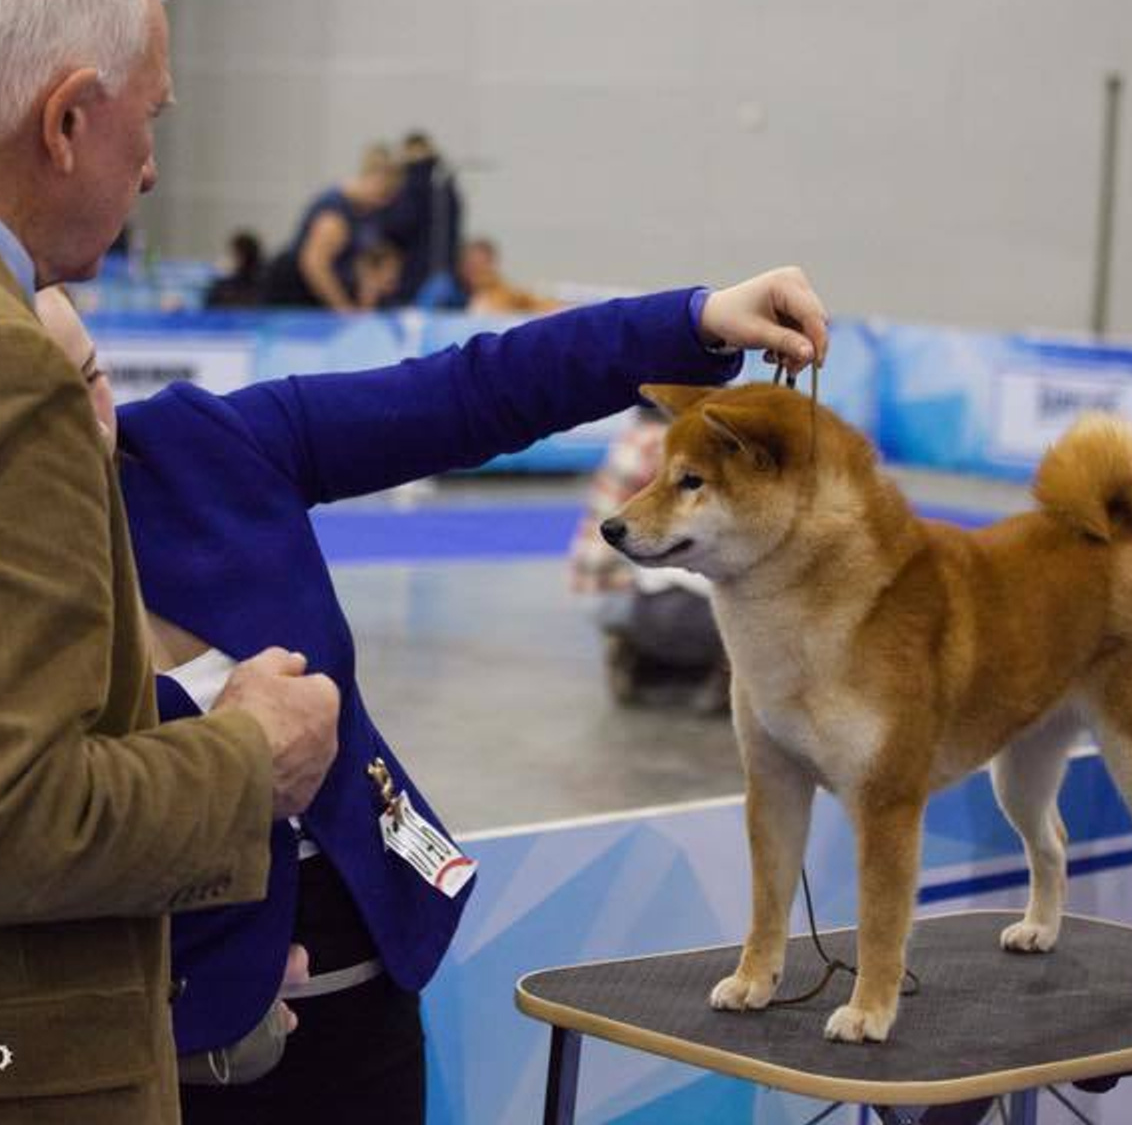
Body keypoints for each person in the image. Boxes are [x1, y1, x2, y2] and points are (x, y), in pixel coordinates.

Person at [38, 263, 829, 1124]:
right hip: (146, 1044)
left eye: (95, 376)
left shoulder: (202, 442)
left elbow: (469, 388)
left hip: (369, 1002)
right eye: (49, 394)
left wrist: (697, 320)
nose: (92, 420)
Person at [0, 0, 340, 1125]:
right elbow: (21, 815)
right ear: (70, 116)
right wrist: (249, 753)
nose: (150, 166)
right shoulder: (17, 373)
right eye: (149, 118)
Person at [570, 404, 729, 712]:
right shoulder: (661, 445)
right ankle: (726, 682)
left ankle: (637, 656)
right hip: (621, 590)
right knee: (740, 601)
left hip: (600, 586)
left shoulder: (635, 437)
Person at [264, 144, 403, 311]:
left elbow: (361, 260)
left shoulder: (368, 211)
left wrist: (366, 297)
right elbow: (314, 266)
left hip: (325, 289)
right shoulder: (334, 214)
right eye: (384, 194)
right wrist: (343, 310)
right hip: (295, 292)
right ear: (372, 178)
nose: (385, 202)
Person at [382, 130, 465, 307]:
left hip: (416, 273)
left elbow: (400, 225)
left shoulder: (413, 183)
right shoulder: (446, 183)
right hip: (446, 270)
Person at [459, 236, 562, 315]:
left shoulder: (503, 293)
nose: (475, 271)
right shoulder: (451, 292)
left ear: (492, 264)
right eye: (471, 264)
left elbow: (535, 303)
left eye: (481, 265)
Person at [205, 229, 266, 308]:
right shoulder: (224, 286)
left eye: (232, 254)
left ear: (241, 256)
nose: (228, 259)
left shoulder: (226, 289)